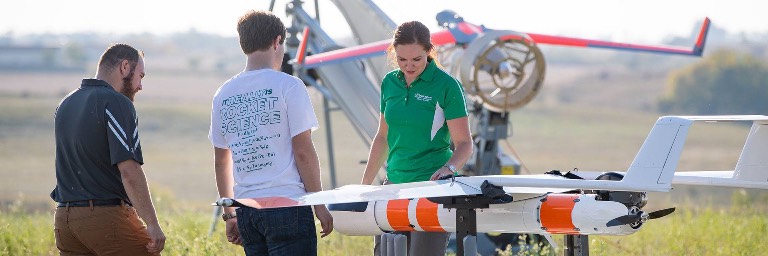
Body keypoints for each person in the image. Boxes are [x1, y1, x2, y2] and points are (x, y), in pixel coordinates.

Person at [209, 10, 333, 255]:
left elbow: (221, 161)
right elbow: (303, 152)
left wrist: (229, 213)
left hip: (246, 210)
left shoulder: (223, 94)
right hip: (288, 205)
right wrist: (319, 204)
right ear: (277, 41)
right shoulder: (289, 86)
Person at [361, 21, 473, 256]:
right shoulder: (389, 83)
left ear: (429, 52)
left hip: (431, 190)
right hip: (393, 187)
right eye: (402, 60)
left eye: (416, 59)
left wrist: (449, 167)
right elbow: (382, 137)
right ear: (394, 53)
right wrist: (363, 187)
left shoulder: (447, 86)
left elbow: (464, 143)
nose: (409, 66)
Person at [51, 43, 166, 255]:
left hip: (64, 220)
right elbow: (129, 171)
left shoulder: (66, 103)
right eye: (141, 76)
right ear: (124, 67)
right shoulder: (117, 102)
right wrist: (152, 224)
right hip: (105, 217)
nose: (140, 85)